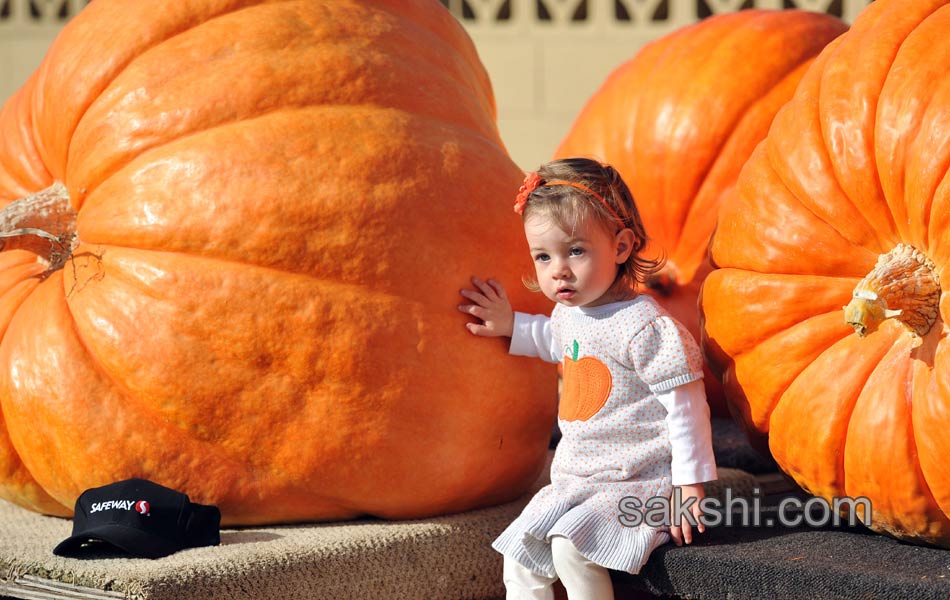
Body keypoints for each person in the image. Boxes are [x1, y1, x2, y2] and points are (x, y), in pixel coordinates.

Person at [457, 157, 717, 600]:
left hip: (640, 483)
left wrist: (690, 487)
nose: (558, 269)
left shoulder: (645, 325)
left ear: (620, 247)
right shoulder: (571, 315)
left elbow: (687, 405)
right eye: (544, 255)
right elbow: (553, 340)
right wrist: (509, 324)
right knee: (519, 556)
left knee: (570, 548)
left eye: (575, 250)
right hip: (578, 482)